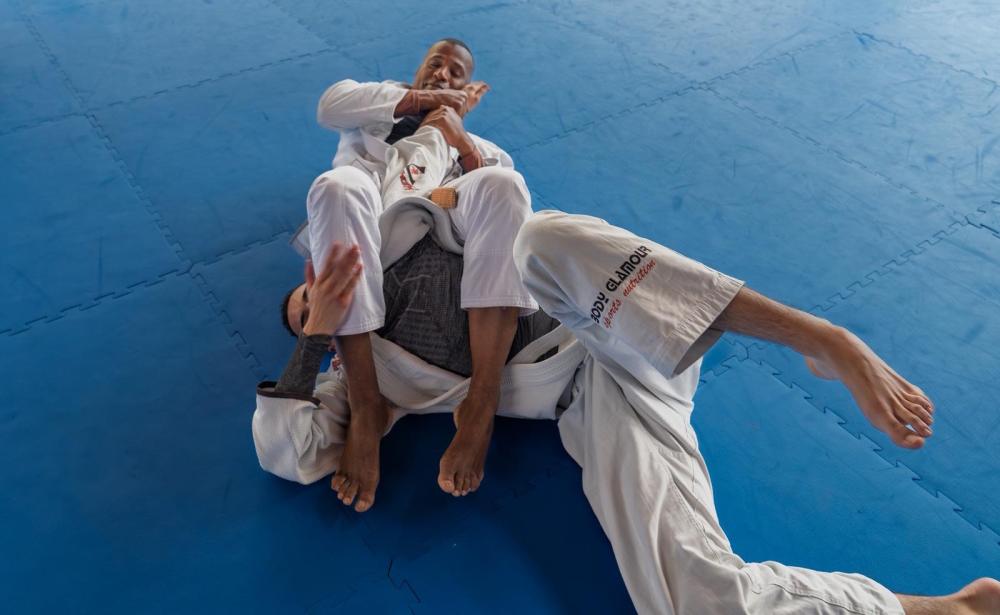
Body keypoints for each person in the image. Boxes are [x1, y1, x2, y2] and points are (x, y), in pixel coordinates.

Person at [255, 209, 1000, 614]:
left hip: (616, 322)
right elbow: (287, 449)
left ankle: (822, 337)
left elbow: (486, 191)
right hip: (600, 397)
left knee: (537, 238)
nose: (317, 299)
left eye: (310, 287)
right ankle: (945, 609)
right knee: (700, 603)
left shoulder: (399, 229)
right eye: (305, 315)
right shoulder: (363, 380)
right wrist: (320, 334)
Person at [286, 38, 540, 511]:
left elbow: (505, 223)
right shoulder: (370, 114)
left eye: (456, 73)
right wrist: (424, 100)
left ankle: (482, 402)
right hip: (373, 245)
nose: (444, 74)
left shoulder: (483, 148)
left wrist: (461, 143)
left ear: (472, 91)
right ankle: (367, 407)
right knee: (336, 185)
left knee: (505, 184)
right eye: (436, 65)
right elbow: (328, 105)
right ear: (418, 71)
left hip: (441, 250)